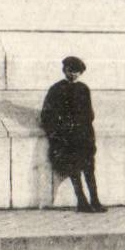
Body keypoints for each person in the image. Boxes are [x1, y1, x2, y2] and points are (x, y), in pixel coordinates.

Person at [40, 56, 107, 214]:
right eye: (71, 71)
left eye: (77, 72)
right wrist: (58, 133)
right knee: (74, 171)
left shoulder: (84, 89)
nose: (74, 74)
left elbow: (90, 115)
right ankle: (82, 202)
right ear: (65, 70)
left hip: (84, 137)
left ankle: (95, 201)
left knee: (89, 170)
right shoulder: (56, 89)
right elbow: (47, 115)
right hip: (67, 139)